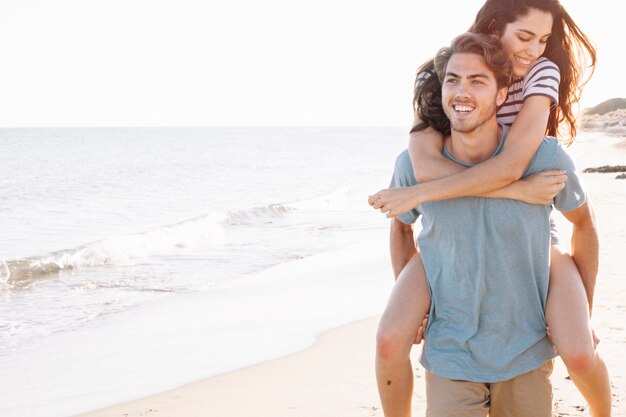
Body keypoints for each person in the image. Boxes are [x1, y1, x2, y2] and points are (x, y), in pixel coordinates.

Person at [370, 1, 611, 416]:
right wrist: (418, 193)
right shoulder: (443, 71)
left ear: (499, 92)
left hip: (531, 230)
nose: (534, 49)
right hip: (454, 233)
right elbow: (424, 164)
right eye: (524, 36)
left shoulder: (541, 74)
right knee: (390, 339)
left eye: (543, 39)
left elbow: (516, 163)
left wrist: (580, 313)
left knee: (580, 350)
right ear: (495, 27)